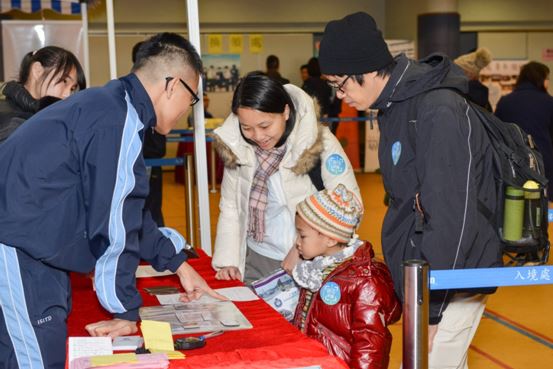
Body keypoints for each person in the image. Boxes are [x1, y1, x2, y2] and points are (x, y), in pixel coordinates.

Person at [0, 32, 223, 369]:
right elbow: (114, 223)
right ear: (172, 86)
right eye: (191, 98)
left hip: (33, 242)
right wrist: (124, 309)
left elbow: (129, 206)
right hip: (17, 244)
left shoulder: (112, 106)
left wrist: (178, 263)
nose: (186, 111)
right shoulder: (116, 117)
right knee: (36, 358)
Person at [318, 12, 502, 368]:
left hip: (453, 280)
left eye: (342, 84)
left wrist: (431, 309)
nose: (340, 95)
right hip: (424, 276)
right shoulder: (394, 106)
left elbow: (451, 216)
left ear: (369, 69)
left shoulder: (437, 109)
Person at [211, 72, 360, 284]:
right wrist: (229, 260)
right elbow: (231, 207)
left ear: (286, 112)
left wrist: (300, 249)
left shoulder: (319, 142)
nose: (258, 136)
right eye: (247, 128)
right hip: (257, 258)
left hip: (313, 261)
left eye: (265, 126)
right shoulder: (238, 148)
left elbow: (350, 204)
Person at [292, 184, 401, 369]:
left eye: (302, 236)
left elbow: (370, 343)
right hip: (314, 361)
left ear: (330, 239)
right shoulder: (318, 267)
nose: (296, 242)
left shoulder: (365, 281)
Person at [0, 45, 86, 142]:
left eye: (72, 89)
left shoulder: (49, 118)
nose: (67, 94)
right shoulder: (12, 124)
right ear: (37, 71)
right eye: (64, 81)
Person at [495, 61, 553, 201]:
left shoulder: (505, 101)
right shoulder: (549, 102)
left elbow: (497, 131)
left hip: (514, 160)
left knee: (514, 200)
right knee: (541, 201)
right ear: (541, 79)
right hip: (543, 161)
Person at [132, 40, 167, 226]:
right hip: (146, 159)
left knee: (152, 208)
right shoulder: (143, 91)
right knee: (148, 210)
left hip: (150, 159)